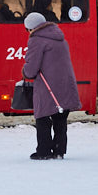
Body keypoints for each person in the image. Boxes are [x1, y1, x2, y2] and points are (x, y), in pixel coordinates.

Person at [21, 11, 81, 160]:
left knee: (42, 118)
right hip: (66, 84)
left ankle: (44, 151)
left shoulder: (36, 40)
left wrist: (24, 71)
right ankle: (59, 150)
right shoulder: (60, 38)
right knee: (60, 119)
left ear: (31, 28)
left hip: (48, 86)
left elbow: (31, 69)